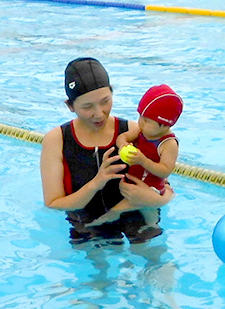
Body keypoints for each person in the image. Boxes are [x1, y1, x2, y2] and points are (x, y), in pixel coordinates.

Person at [40, 57, 174, 245]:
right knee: (97, 270)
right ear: (70, 106)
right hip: (85, 222)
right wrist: (96, 183)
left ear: (112, 93)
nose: (99, 113)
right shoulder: (57, 140)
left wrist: (156, 201)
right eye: (87, 106)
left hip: (136, 215)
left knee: (156, 265)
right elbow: (53, 203)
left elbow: (164, 187)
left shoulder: (133, 131)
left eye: (105, 101)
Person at [86, 84, 183, 230]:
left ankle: (114, 217)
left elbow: (165, 171)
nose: (140, 122)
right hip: (133, 181)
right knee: (138, 207)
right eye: (140, 116)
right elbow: (122, 137)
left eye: (146, 120)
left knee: (127, 210)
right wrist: (124, 144)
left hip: (152, 189)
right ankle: (148, 224)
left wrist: (142, 160)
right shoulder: (141, 131)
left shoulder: (168, 144)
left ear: (164, 125)